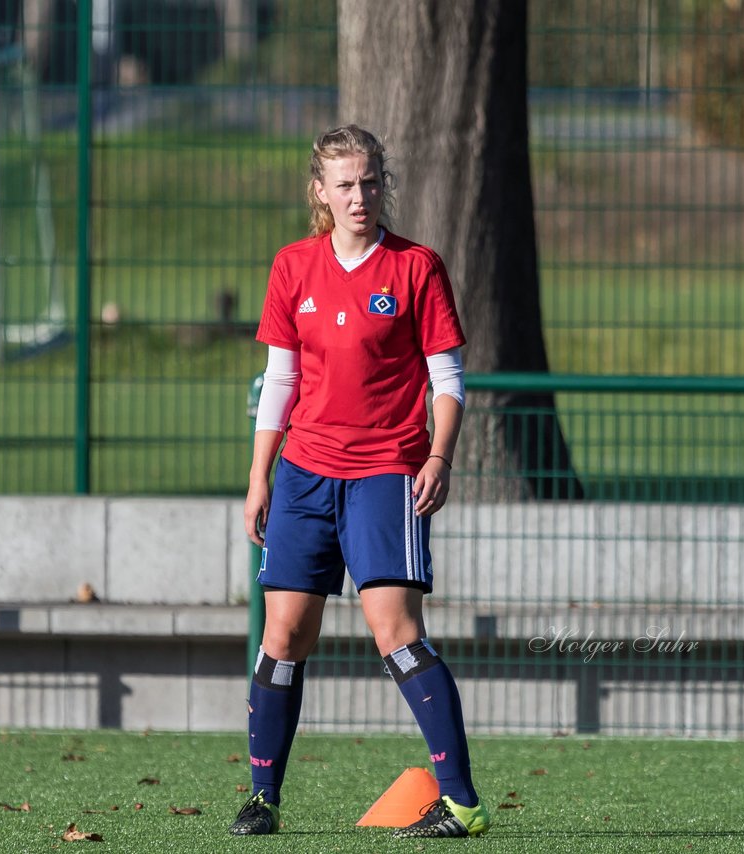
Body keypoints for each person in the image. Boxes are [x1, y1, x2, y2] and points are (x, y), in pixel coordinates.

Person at [229, 125, 490, 839]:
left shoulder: (416, 268)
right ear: (319, 191)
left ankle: (462, 801)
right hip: (304, 476)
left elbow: (449, 381)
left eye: (370, 182)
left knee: (396, 634)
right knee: (283, 635)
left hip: (386, 472)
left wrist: (437, 457)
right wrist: (261, 478)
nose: (359, 197)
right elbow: (280, 379)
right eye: (343, 184)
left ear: (384, 185)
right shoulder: (293, 267)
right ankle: (263, 799)